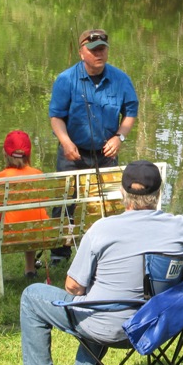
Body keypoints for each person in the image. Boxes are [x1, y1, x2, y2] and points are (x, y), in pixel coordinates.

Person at [10, 160, 183, 365]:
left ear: (122, 192)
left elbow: (73, 287)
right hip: (155, 324)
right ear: (158, 193)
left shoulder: (101, 229)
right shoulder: (179, 225)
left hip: (107, 328)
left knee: (33, 296)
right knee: (102, 295)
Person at [47, 28, 138, 262]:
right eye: (93, 50)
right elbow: (56, 116)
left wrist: (119, 137)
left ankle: (105, 248)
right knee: (65, 202)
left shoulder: (121, 79)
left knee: (108, 202)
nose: (98, 53)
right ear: (82, 53)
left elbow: (130, 112)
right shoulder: (66, 79)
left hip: (106, 154)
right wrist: (65, 142)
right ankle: (60, 251)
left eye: (102, 49)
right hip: (72, 152)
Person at [0, 130, 49, 280]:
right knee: (30, 220)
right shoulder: (38, 174)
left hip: (9, 232)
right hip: (38, 230)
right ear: (28, 154)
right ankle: (30, 269)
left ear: (5, 154)